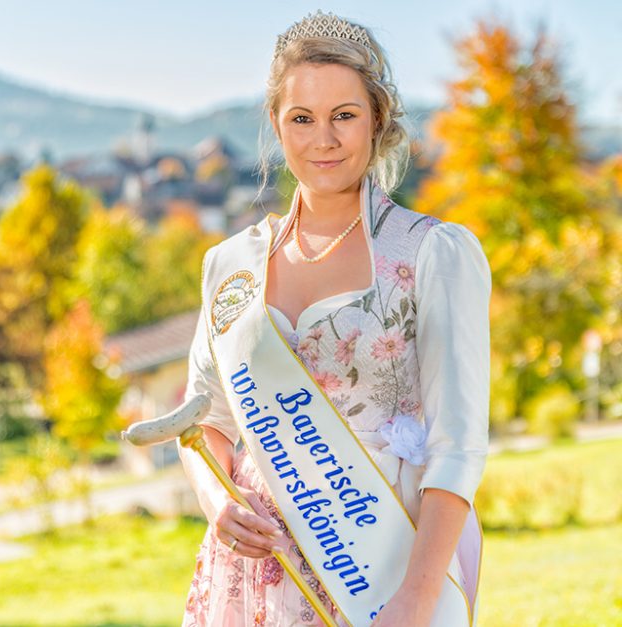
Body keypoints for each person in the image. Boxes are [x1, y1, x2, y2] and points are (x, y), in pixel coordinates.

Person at [177, 10, 491, 627]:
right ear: (276, 123)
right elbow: (203, 416)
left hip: (381, 569)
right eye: (302, 118)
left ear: (378, 119)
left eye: (344, 115)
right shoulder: (230, 265)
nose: (323, 139)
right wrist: (217, 501)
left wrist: (416, 602)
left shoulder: (431, 253)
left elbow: (458, 447)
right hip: (254, 576)